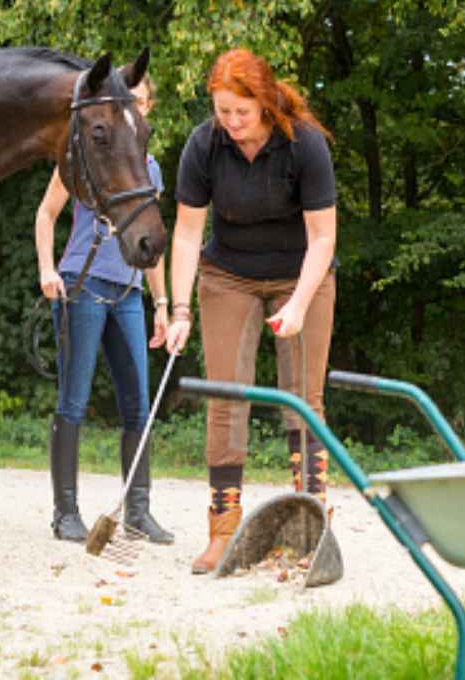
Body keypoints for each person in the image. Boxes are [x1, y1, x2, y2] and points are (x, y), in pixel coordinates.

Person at [165, 48, 338, 574]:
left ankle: (310, 528)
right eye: (223, 112)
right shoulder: (204, 144)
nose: (233, 123)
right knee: (225, 398)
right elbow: (189, 232)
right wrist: (177, 310)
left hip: (299, 273)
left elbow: (323, 234)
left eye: (242, 111)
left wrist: (301, 304)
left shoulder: (303, 145)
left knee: (302, 399)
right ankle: (223, 529)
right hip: (228, 276)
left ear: (264, 103)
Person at [34, 73, 173, 545]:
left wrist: (163, 302)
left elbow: (151, 241)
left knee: (139, 404)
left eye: (137, 101)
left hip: (129, 292)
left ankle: (139, 511)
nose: (128, 106)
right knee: (73, 398)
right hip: (84, 282)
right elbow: (45, 213)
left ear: (146, 109)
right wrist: (47, 269)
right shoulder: (82, 154)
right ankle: (65, 511)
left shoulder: (150, 170)